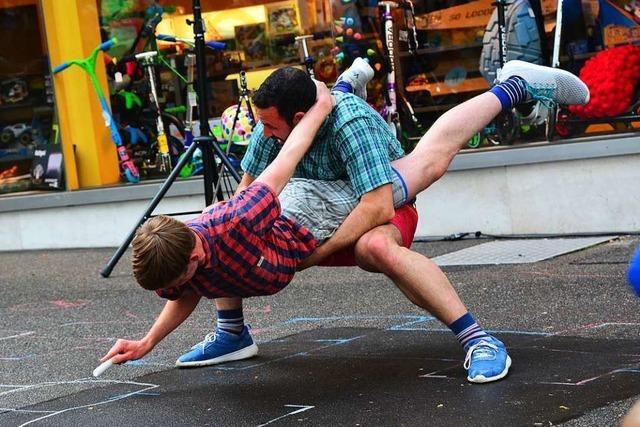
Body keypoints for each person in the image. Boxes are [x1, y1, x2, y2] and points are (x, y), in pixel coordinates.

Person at [102, 60, 589, 383]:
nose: (265, 133)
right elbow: (250, 187)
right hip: (300, 198)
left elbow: (375, 206)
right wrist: (148, 342)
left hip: (361, 195)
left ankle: (516, 86)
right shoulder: (271, 131)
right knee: (231, 234)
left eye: (273, 126)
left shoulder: (349, 124)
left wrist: (314, 252)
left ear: (299, 116)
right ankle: (232, 332)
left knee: (423, 172)